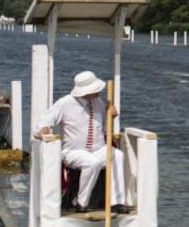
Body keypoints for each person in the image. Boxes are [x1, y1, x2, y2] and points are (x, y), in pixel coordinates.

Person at [35, 71, 128, 214]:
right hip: (73, 152)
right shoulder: (65, 103)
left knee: (118, 156)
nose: (99, 91)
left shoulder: (99, 103)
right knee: (91, 162)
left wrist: (112, 117)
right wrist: (44, 128)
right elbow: (46, 119)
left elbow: (102, 127)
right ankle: (81, 202)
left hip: (97, 149)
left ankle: (116, 202)